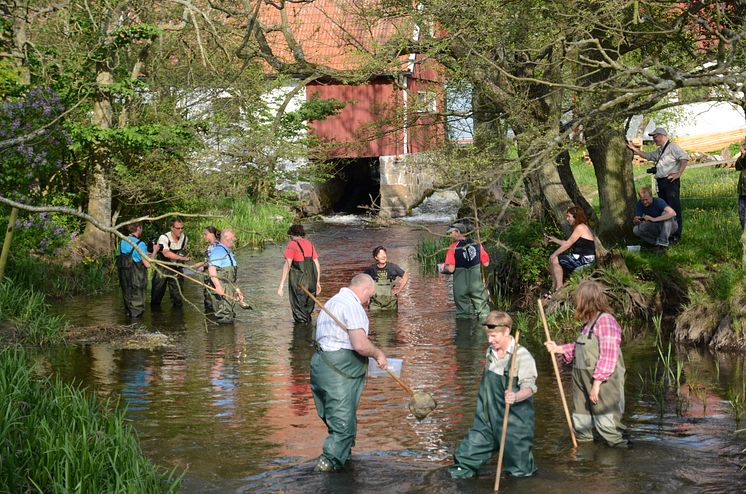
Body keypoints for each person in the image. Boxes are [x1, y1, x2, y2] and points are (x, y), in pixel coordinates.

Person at [310, 274, 387, 472]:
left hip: (319, 366)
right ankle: (323, 471)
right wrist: (378, 353)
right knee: (344, 427)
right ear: (365, 290)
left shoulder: (332, 302)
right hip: (338, 372)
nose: (369, 301)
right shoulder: (352, 306)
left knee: (335, 422)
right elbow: (360, 345)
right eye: (370, 296)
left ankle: (344, 463)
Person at [449, 311, 538, 479]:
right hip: (486, 420)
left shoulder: (522, 356)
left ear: (506, 332)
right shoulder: (490, 352)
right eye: (488, 336)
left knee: (521, 473)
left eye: (494, 336)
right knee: (465, 458)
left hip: (514, 423)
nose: (490, 340)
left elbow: (530, 388)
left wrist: (515, 396)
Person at [544, 280, 628, 447]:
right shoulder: (588, 324)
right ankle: (585, 461)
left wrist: (596, 385)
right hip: (581, 381)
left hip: (603, 382)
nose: (576, 303)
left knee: (607, 425)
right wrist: (558, 348)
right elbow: (580, 347)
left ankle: (618, 462)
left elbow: (608, 355)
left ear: (587, 301)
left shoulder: (606, 321)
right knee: (581, 423)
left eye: (578, 300)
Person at [626, 127, 689, 242]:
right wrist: (633, 148)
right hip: (661, 182)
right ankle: (665, 234)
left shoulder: (672, 147)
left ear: (662, 135)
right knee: (664, 210)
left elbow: (684, 158)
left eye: (655, 137)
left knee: (673, 209)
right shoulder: (660, 150)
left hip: (670, 182)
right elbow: (648, 156)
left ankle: (676, 236)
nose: (654, 139)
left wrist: (678, 174)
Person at [441, 223, 490, 320]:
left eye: (451, 233)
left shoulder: (453, 248)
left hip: (460, 286)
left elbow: (451, 268)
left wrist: (443, 268)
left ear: (458, 232)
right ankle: (484, 333)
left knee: (463, 315)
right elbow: (486, 263)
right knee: (483, 312)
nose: (450, 235)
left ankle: (464, 333)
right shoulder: (477, 244)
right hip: (476, 285)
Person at [545, 206, 596, 293]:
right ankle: (554, 287)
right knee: (553, 260)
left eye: (568, 216)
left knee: (555, 259)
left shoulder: (580, 227)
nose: (567, 219)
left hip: (585, 259)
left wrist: (554, 254)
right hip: (581, 257)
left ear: (575, 217)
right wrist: (554, 239)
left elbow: (568, 244)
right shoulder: (580, 227)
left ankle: (559, 288)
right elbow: (568, 243)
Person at [277, 224, 321, 324]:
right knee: (307, 312)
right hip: (312, 283)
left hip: (299, 284)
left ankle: (301, 337)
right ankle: (309, 336)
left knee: (300, 314)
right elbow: (317, 265)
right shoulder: (310, 244)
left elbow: (287, 265)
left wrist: (281, 285)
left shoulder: (292, 244)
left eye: (290, 237)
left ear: (292, 234)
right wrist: (317, 282)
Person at [206, 228, 244, 324]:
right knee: (224, 318)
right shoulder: (218, 251)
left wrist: (237, 290)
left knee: (230, 316)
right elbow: (211, 268)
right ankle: (223, 338)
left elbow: (232, 277)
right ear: (227, 238)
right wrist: (218, 287)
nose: (235, 239)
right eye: (233, 238)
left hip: (229, 290)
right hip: (222, 290)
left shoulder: (228, 251)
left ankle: (229, 338)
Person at [151, 218, 190, 308]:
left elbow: (183, 250)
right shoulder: (164, 237)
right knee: (157, 294)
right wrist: (182, 257)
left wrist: (183, 259)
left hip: (177, 268)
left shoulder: (184, 238)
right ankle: (155, 317)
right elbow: (166, 253)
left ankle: (177, 319)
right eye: (178, 228)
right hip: (163, 266)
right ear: (172, 228)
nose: (180, 230)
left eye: (182, 228)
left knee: (177, 297)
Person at [116, 222, 151, 318]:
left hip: (125, 280)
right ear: (139, 228)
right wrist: (155, 251)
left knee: (129, 308)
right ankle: (137, 330)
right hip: (137, 279)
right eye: (141, 228)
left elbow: (132, 254)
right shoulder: (140, 244)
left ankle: (129, 327)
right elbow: (147, 264)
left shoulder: (122, 242)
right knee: (137, 309)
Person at [363, 246, 409, 311]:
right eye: (380, 254)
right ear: (376, 257)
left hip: (391, 304)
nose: (383, 256)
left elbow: (405, 276)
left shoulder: (393, 267)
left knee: (391, 320)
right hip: (375, 304)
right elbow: (363, 281)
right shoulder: (371, 269)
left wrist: (399, 289)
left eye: (384, 254)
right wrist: (367, 296)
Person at [632, 186, 677, 251]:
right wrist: (636, 220)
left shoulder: (658, 201)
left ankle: (663, 244)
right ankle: (657, 243)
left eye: (646, 199)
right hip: (655, 226)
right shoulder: (639, 204)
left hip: (670, 226)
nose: (644, 202)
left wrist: (653, 219)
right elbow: (637, 219)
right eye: (642, 200)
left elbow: (673, 213)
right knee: (636, 230)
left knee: (666, 214)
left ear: (651, 196)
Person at [193, 226, 220, 312]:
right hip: (209, 276)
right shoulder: (211, 246)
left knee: (211, 300)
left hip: (214, 276)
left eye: (205, 234)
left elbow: (213, 262)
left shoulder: (216, 246)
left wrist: (200, 265)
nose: (204, 237)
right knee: (208, 299)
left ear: (212, 235)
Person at [735, 143, 746, 229]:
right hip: (743, 191)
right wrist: (742, 155)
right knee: (742, 215)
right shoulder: (743, 156)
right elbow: (738, 167)